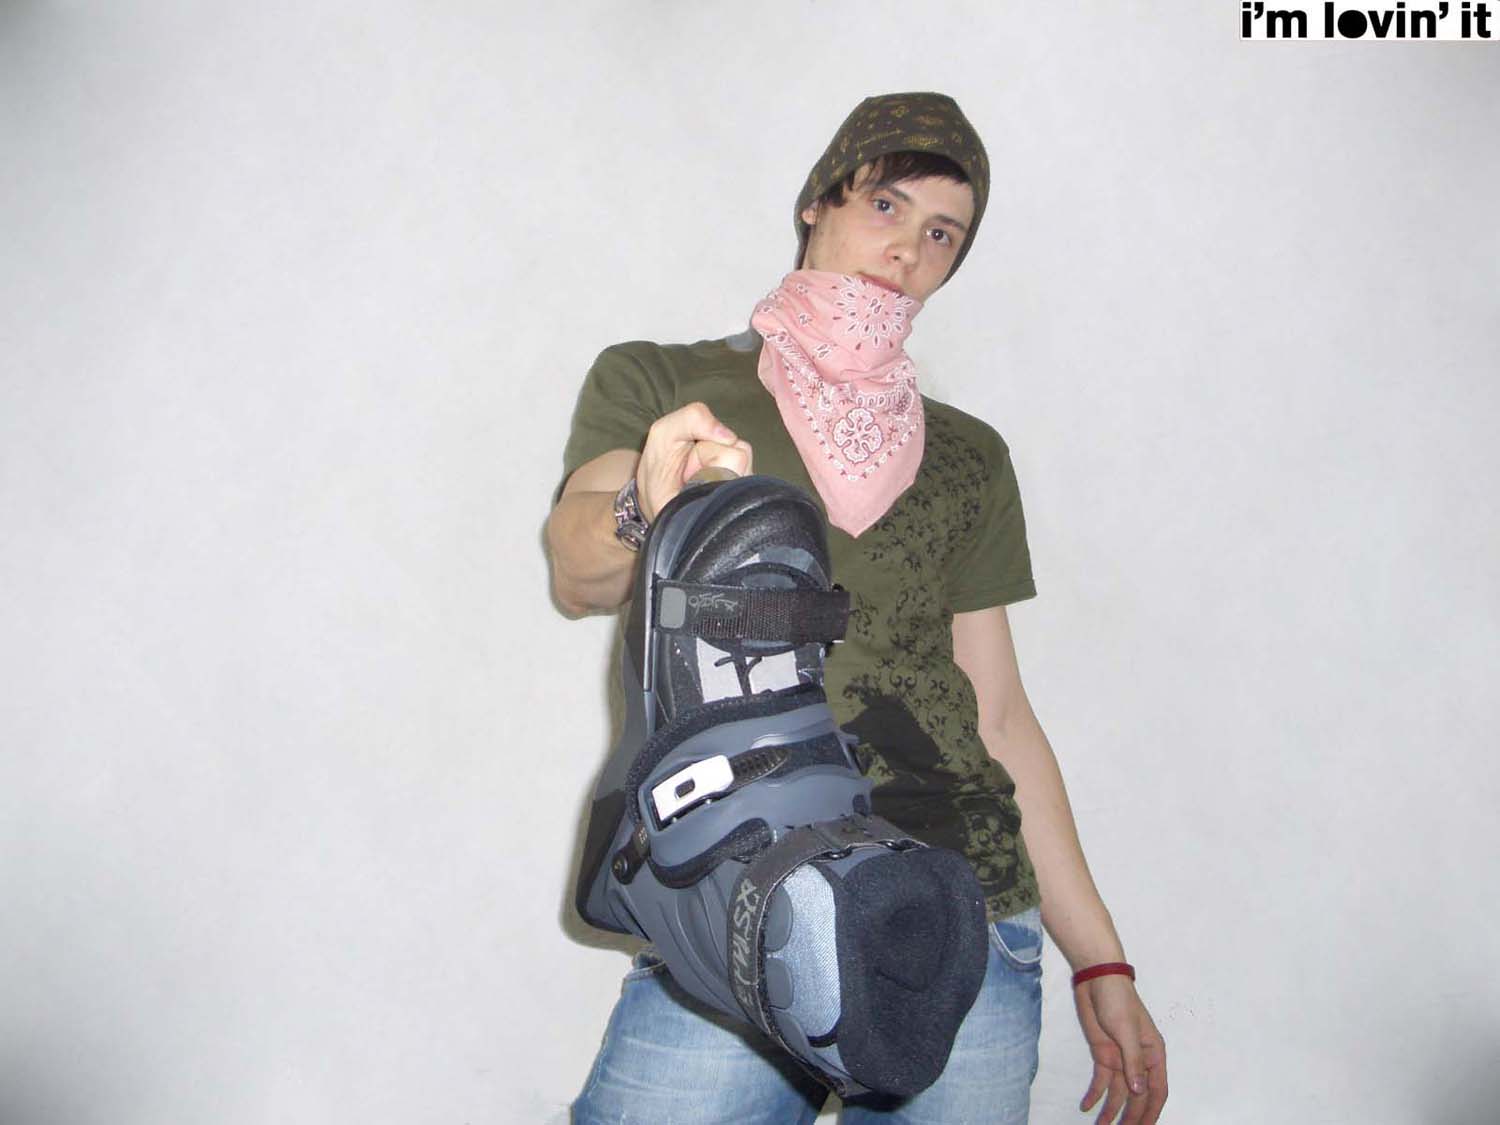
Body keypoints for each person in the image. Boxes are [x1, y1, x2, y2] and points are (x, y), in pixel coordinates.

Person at [547, 92, 1169, 1125]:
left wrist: (1101, 960)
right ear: (818, 203)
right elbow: (579, 574)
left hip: (958, 910)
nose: (909, 249)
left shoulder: (969, 454)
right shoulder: (668, 383)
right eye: (887, 204)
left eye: (943, 233)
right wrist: (642, 505)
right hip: (738, 894)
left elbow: (999, 716)